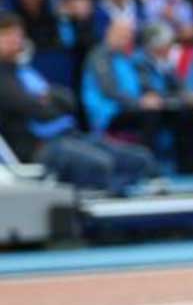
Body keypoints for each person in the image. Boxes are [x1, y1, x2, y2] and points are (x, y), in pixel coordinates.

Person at [0, 10, 157, 191]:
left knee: (139, 158)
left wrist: (48, 99)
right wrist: (47, 100)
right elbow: (36, 109)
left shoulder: (25, 71)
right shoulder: (3, 78)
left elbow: (68, 100)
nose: (14, 39)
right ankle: (92, 212)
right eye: (6, 35)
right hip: (38, 148)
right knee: (99, 164)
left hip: (67, 134)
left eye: (17, 34)